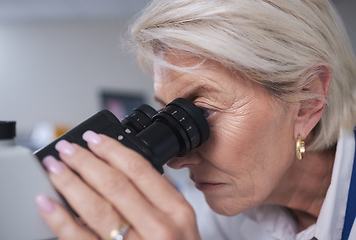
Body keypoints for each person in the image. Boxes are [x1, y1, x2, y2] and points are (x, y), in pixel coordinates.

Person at [35, 0, 356, 239]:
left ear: (306, 102)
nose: (177, 162)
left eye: (201, 112)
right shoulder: (218, 217)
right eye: (167, 114)